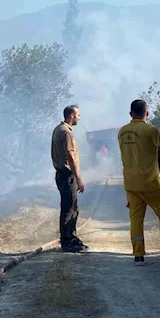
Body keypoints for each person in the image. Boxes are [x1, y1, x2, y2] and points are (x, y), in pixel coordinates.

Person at [117, 99, 160, 266]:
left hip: (131, 184)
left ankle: (138, 256)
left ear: (130, 113)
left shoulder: (122, 131)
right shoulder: (150, 130)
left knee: (136, 219)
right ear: (146, 113)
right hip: (151, 182)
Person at [51, 104, 88, 253]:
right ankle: (67, 242)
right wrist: (79, 178)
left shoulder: (58, 129)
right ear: (71, 116)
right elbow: (70, 156)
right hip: (67, 175)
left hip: (62, 174)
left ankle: (71, 238)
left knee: (72, 208)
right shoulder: (66, 132)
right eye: (78, 115)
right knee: (69, 209)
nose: (79, 117)